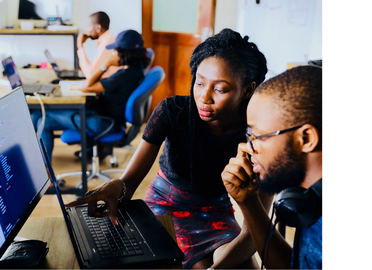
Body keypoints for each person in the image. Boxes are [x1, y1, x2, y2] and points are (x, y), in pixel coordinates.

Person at [66, 28, 272, 269]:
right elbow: (129, 182)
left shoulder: (259, 138)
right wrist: (117, 187)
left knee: (244, 266)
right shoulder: (172, 112)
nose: (204, 97)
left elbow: (253, 235)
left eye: (220, 89)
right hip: (164, 207)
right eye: (200, 82)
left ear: (247, 90)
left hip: (215, 214)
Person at [221, 65, 322, 269]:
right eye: (249, 135)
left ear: (306, 138)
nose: (246, 147)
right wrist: (248, 202)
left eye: (258, 136)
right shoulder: (309, 198)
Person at [32, 30, 150, 159]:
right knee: (43, 122)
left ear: (124, 52)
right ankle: (46, 170)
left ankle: (37, 164)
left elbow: (86, 86)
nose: (113, 53)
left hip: (102, 122)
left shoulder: (123, 76)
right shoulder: (136, 71)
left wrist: (106, 64)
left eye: (116, 50)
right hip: (108, 119)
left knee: (39, 114)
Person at [77, 11, 120, 80]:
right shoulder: (107, 39)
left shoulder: (107, 43)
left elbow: (90, 74)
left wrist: (80, 46)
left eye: (89, 26)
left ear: (98, 28)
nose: (87, 30)